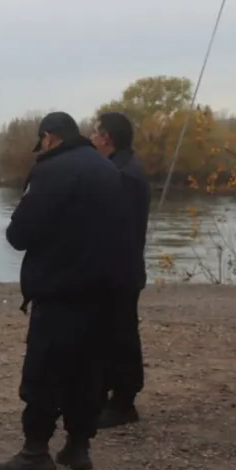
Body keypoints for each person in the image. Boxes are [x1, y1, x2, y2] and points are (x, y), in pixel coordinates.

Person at [0, 112, 131, 470]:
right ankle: (78, 446)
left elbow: (20, 233)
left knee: (45, 369)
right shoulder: (108, 170)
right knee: (88, 369)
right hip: (104, 289)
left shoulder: (51, 172)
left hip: (60, 288)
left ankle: (35, 449)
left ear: (49, 138)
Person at [91, 111, 151, 428]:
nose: (91, 137)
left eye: (95, 132)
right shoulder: (118, 169)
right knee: (104, 334)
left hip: (119, 270)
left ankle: (124, 401)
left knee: (121, 335)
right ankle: (101, 395)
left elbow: (116, 229)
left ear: (107, 138)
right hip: (114, 267)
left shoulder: (124, 175)